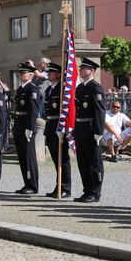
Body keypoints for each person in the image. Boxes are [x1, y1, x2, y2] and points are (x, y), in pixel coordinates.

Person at [74, 58, 106, 203]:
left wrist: (99, 132)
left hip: (91, 129)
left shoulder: (95, 88)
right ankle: (87, 190)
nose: (80, 70)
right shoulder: (80, 88)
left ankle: (95, 192)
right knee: (83, 162)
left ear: (91, 71)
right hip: (80, 129)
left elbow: (100, 112)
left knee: (94, 162)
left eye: (83, 68)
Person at [42, 63, 72, 198]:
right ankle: (58, 185)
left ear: (59, 74)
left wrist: (64, 128)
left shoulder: (62, 89)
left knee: (63, 159)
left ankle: (65, 187)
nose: (49, 74)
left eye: (52, 72)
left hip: (59, 126)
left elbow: (66, 110)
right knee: (55, 158)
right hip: (50, 126)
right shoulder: (49, 89)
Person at [12, 62, 41, 194]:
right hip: (19, 124)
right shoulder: (20, 89)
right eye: (20, 73)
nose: (21, 75)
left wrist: (30, 127)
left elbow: (33, 110)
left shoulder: (32, 89)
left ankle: (32, 185)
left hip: (26, 126)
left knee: (29, 157)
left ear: (30, 75)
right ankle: (26, 183)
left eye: (24, 73)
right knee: (22, 157)